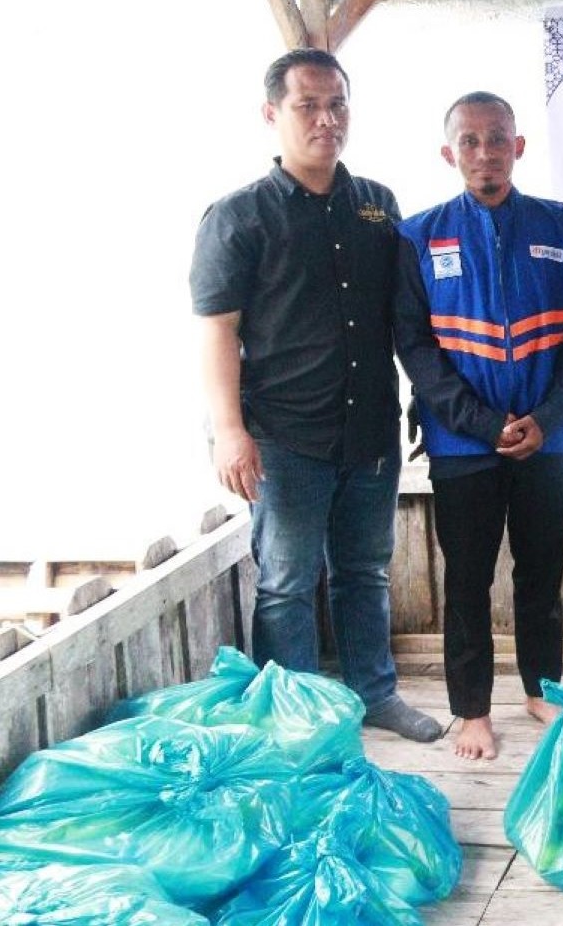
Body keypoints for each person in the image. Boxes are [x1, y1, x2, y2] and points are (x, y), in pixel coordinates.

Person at [189, 48, 441, 743]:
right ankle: (293, 719)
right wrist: (229, 430)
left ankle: (375, 696)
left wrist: (425, 394)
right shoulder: (238, 217)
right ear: (273, 115)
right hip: (282, 437)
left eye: (337, 104)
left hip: (368, 435)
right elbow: (217, 330)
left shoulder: (377, 206)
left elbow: (405, 317)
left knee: (364, 571)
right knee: (287, 582)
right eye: (308, 105)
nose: (326, 119)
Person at [393, 92, 563, 761]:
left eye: (498, 138)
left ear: (519, 146)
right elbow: (416, 348)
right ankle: (472, 710)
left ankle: (542, 690)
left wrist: (549, 418)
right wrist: (482, 424)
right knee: (469, 578)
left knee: (542, 570)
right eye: (471, 141)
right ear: (450, 152)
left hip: (547, 438)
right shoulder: (419, 237)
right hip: (462, 445)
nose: (486, 152)